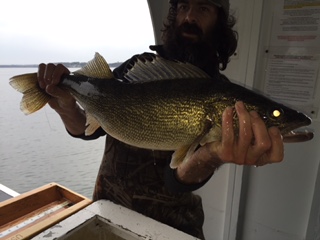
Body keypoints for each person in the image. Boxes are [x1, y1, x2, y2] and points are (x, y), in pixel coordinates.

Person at [37, 0, 284, 239]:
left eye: (203, 8)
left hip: (172, 224)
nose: (189, 17)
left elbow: (177, 181)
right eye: (183, 6)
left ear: (220, 21)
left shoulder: (224, 97)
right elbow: (87, 129)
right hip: (109, 209)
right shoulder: (137, 67)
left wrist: (212, 155)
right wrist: (65, 106)